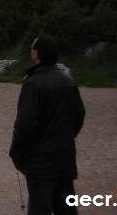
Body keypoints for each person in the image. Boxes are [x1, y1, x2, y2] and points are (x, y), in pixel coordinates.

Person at [10, 34, 86, 215]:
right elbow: (79, 115)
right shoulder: (68, 81)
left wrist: (16, 150)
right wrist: (65, 137)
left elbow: (26, 124)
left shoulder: (33, 82)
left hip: (40, 162)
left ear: (36, 54)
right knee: (66, 208)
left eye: (32, 49)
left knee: (39, 208)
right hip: (65, 157)